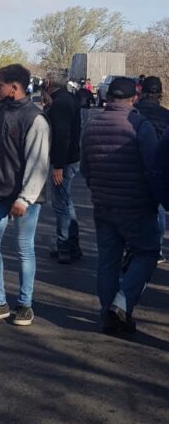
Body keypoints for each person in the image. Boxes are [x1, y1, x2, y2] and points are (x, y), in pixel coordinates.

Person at [0, 63, 50, 327]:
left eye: (0, 84)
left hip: (24, 198)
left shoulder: (35, 119)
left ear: (14, 87)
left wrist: (24, 199)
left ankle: (25, 305)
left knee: (24, 248)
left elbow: (38, 163)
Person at [80, 77, 160, 334]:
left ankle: (108, 317)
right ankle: (122, 302)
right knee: (147, 253)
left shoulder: (91, 126)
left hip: (103, 204)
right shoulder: (140, 126)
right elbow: (153, 168)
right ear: (134, 97)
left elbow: (85, 168)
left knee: (108, 262)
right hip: (137, 206)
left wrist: (97, 189)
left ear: (108, 97)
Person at [44, 71, 82, 263]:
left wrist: (57, 165)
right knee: (66, 202)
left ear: (49, 83)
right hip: (72, 157)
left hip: (64, 161)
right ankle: (72, 243)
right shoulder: (69, 99)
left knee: (61, 204)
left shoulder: (59, 104)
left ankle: (64, 244)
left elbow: (61, 135)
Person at [134, 76, 169, 262]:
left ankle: (134, 247)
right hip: (160, 170)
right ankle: (157, 248)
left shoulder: (134, 112)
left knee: (136, 210)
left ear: (142, 91)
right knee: (159, 210)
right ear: (160, 93)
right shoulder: (166, 115)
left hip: (135, 168)